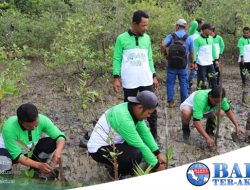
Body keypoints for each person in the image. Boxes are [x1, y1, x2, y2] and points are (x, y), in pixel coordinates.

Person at [87, 91, 166, 177]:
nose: (149, 116)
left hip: (114, 142)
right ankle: (118, 174)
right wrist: (158, 166)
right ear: (140, 107)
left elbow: (144, 132)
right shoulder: (124, 118)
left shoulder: (132, 109)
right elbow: (140, 145)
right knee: (136, 154)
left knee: (141, 148)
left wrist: (157, 153)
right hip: (98, 150)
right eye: (148, 113)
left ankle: (114, 164)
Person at [112, 10, 159, 139]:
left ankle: (154, 136)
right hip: (130, 81)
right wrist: (116, 78)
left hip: (146, 79)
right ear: (134, 24)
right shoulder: (122, 39)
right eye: (143, 25)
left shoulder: (147, 38)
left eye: (147, 25)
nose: (146, 28)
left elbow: (149, 58)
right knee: (130, 109)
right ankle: (131, 137)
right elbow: (117, 59)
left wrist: (153, 75)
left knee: (152, 107)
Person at [0, 103, 66, 176]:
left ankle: (36, 169)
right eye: (30, 126)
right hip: (9, 152)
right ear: (20, 122)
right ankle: (5, 178)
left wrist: (58, 152)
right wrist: (38, 165)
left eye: (36, 125)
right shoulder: (9, 128)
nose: (34, 128)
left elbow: (60, 136)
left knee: (52, 142)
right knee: (3, 160)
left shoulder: (42, 119)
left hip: (29, 149)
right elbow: (16, 155)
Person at [161, 19, 194, 108]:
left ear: (177, 26)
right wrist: (192, 63)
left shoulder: (171, 36)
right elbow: (191, 52)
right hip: (183, 65)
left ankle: (171, 102)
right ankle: (184, 102)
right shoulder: (189, 38)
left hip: (171, 64)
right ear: (185, 27)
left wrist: (165, 54)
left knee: (170, 83)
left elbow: (163, 45)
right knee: (183, 83)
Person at [194, 23, 218, 89]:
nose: (211, 31)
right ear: (204, 30)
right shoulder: (197, 40)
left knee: (213, 79)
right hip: (201, 64)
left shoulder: (211, 38)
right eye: (209, 29)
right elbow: (195, 51)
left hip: (210, 63)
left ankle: (213, 94)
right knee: (201, 81)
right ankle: (200, 94)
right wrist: (194, 62)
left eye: (211, 30)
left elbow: (213, 49)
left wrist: (216, 60)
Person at [188, 18, 204, 90]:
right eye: (202, 24)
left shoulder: (200, 34)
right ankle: (188, 84)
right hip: (191, 54)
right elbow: (194, 24)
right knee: (193, 71)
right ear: (198, 24)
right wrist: (195, 20)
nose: (203, 26)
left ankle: (198, 85)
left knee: (198, 71)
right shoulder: (192, 31)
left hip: (198, 55)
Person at [237, 27, 250, 104]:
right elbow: (241, 49)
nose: (246, 34)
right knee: (244, 76)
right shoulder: (241, 40)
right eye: (244, 33)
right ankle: (244, 99)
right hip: (244, 61)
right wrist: (242, 57)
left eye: (247, 33)